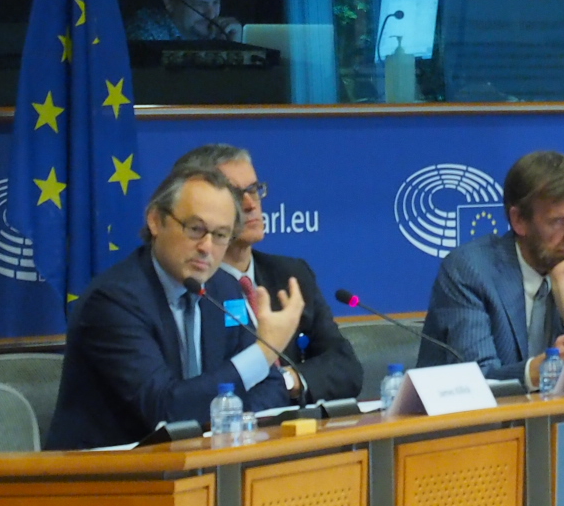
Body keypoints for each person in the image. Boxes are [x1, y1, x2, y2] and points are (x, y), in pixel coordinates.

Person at [46, 162, 305, 449]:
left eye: (221, 235)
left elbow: (270, 385)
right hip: (106, 469)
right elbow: (165, 410)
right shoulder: (113, 301)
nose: (207, 247)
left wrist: (229, 422)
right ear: (156, 221)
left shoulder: (224, 289)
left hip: (201, 463)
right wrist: (263, 352)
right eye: (195, 229)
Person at [172, 144, 361, 404]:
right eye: (234, 194)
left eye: (253, 189)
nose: (250, 204)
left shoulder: (291, 275)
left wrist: (288, 381)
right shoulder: (192, 289)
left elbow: (345, 367)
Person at [419, 150, 564, 383]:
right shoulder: (470, 271)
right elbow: (476, 379)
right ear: (519, 220)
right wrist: (537, 371)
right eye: (559, 221)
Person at [126, 0, 241, 42]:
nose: (211, 15)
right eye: (200, 4)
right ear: (169, 2)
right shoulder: (145, 36)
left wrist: (233, 48)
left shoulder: (220, 34)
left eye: (216, 2)